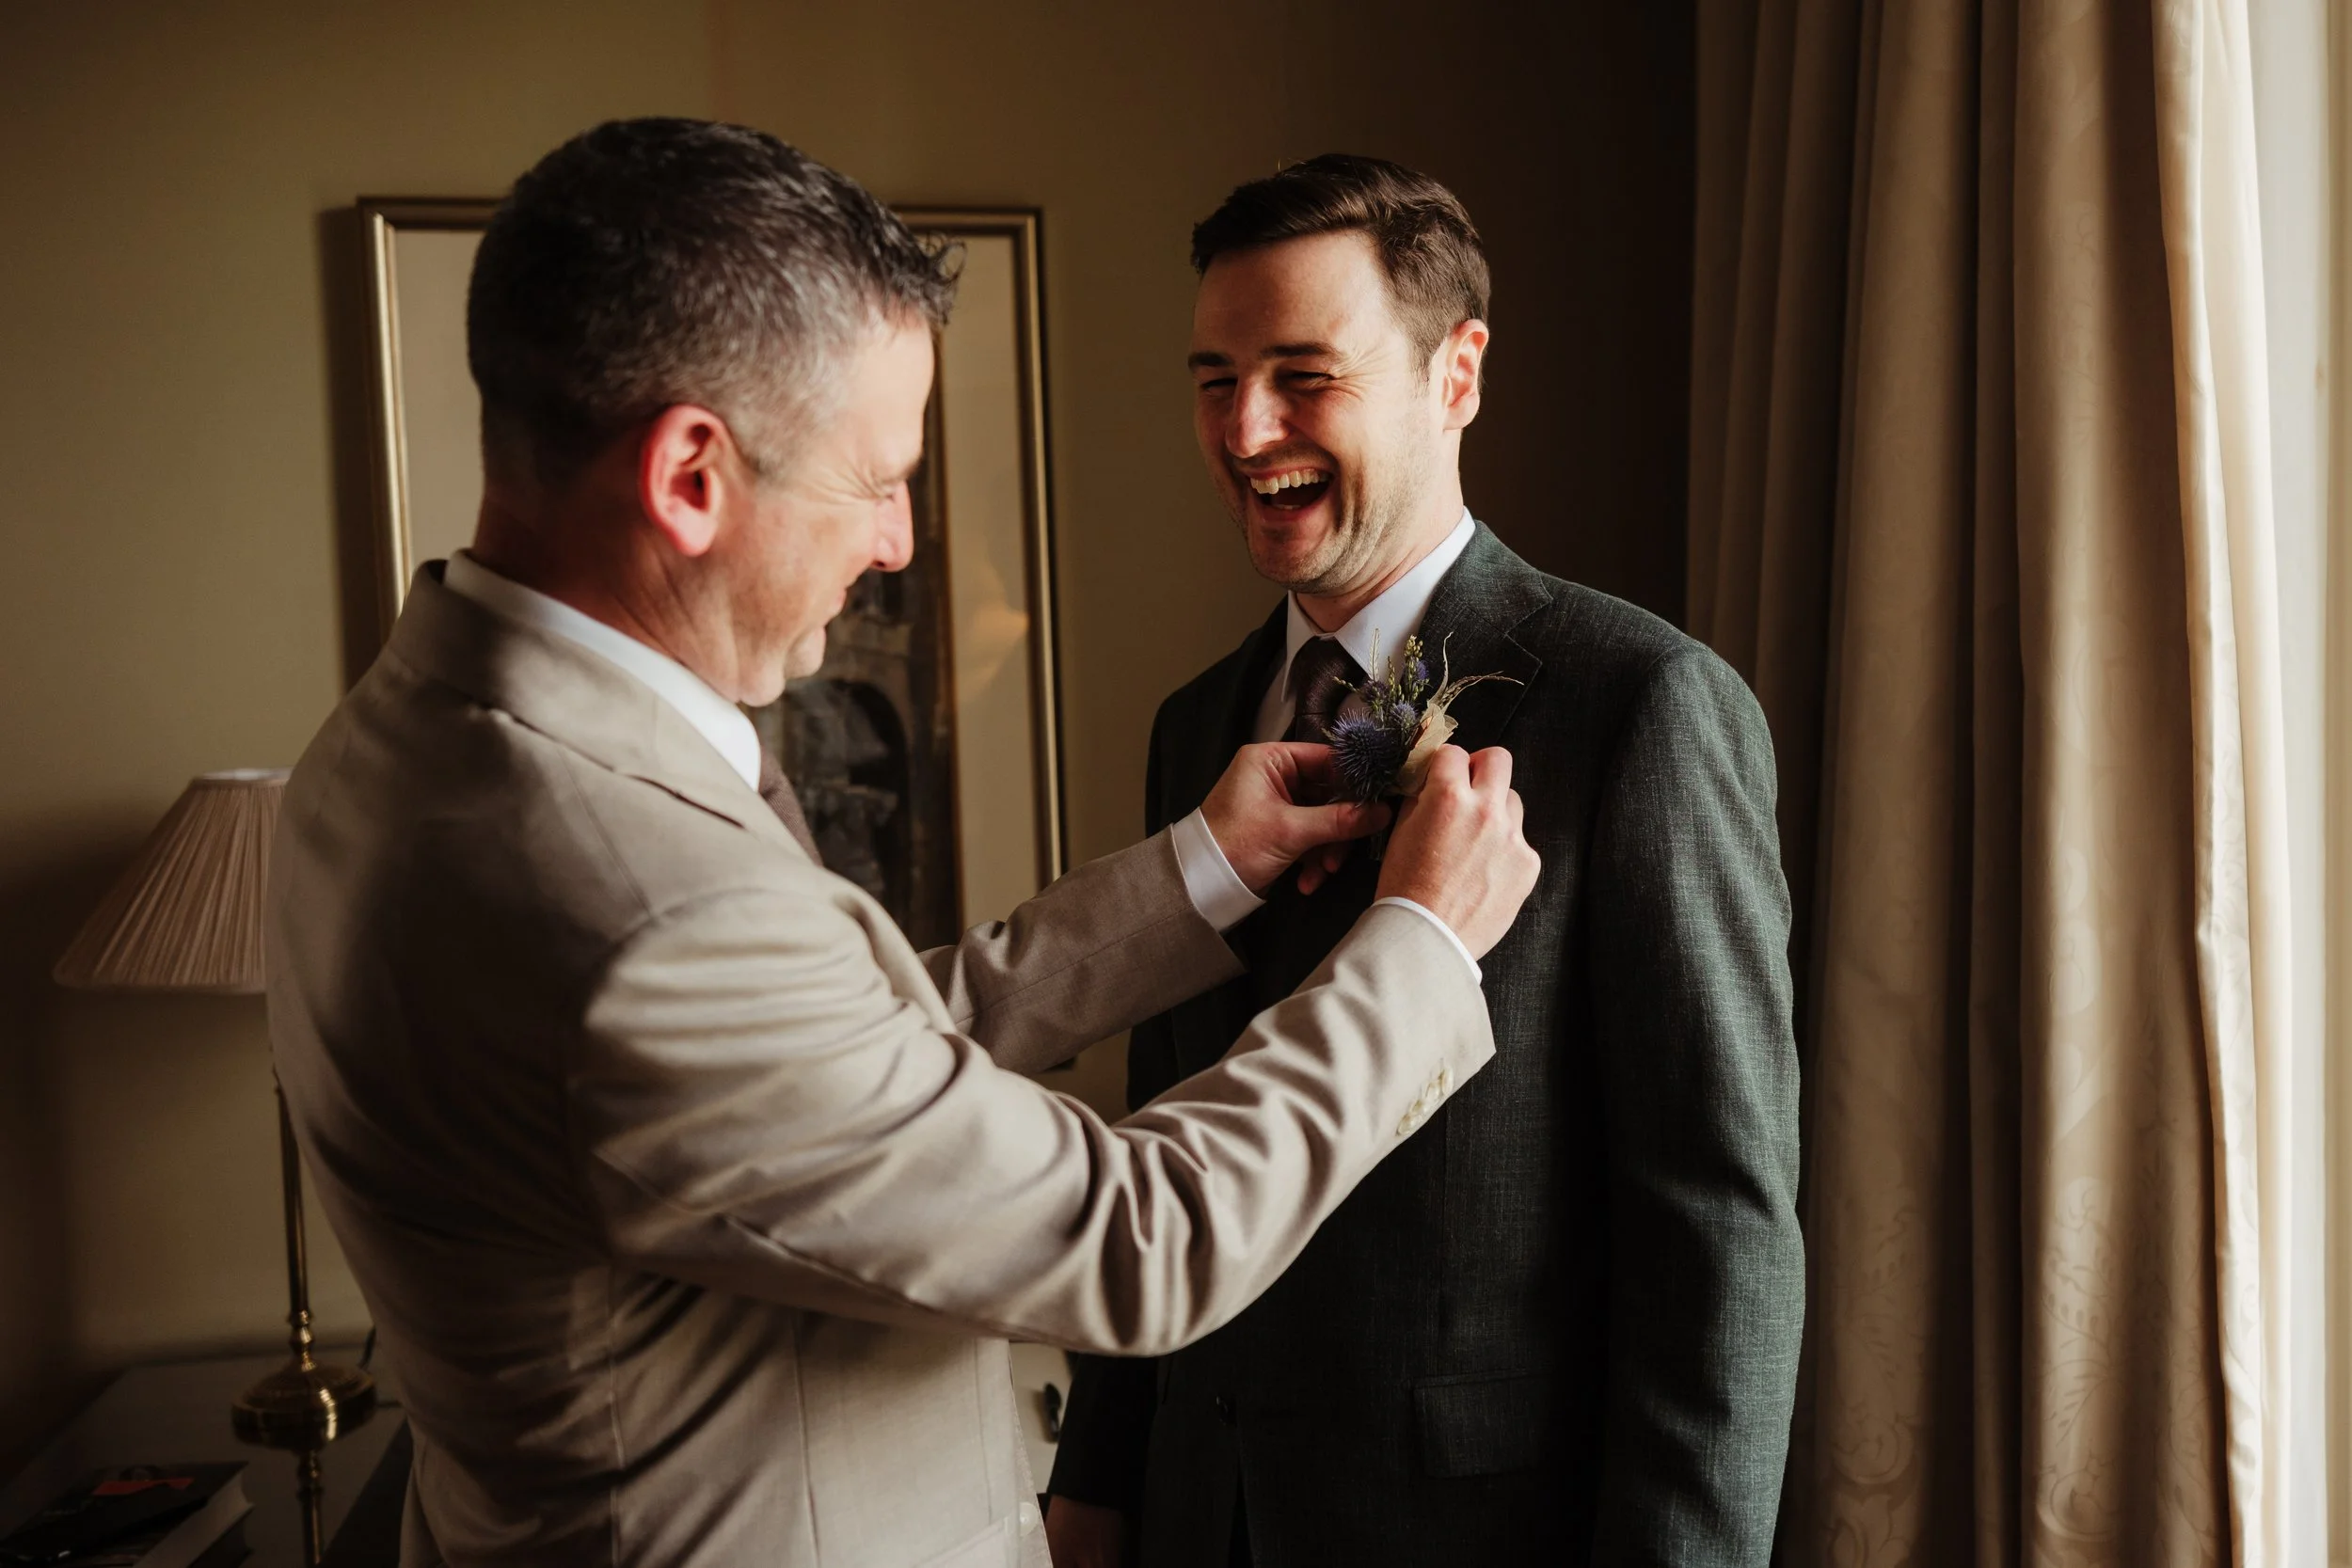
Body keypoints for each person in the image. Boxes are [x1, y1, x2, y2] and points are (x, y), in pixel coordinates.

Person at [265, 121, 1541, 1568]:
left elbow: (824, 1081)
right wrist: (1420, 948)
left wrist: (1191, 870)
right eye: (878, 479)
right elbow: (1134, 1235)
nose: (899, 543)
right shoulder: (631, 899)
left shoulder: (388, 744)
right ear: (691, 475)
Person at [1044, 154, 1804, 1567]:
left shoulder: (1640, 704)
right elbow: (1161, 1129)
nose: (1246, 425)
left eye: (1302, 373)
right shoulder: (1195, 727)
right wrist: (1096, 1491)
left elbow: (1718, 1230)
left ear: (1455, 374)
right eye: (1214, 379)